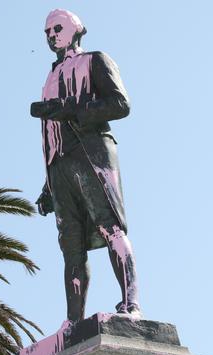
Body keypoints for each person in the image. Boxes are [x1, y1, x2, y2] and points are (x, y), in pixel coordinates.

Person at [30, 9, 141, 322]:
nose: (51, 35)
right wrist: (47, 185)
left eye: (57, 28)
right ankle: (74, 321)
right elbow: (50, 135)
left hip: (92, 156)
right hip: (60, 167)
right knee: (71, 248)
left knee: (111, 228)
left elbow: (121, 104)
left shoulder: (94, 60)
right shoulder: (49, 78)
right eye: (47, 31)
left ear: (76, 29)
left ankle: (130, 305)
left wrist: (69, 110)